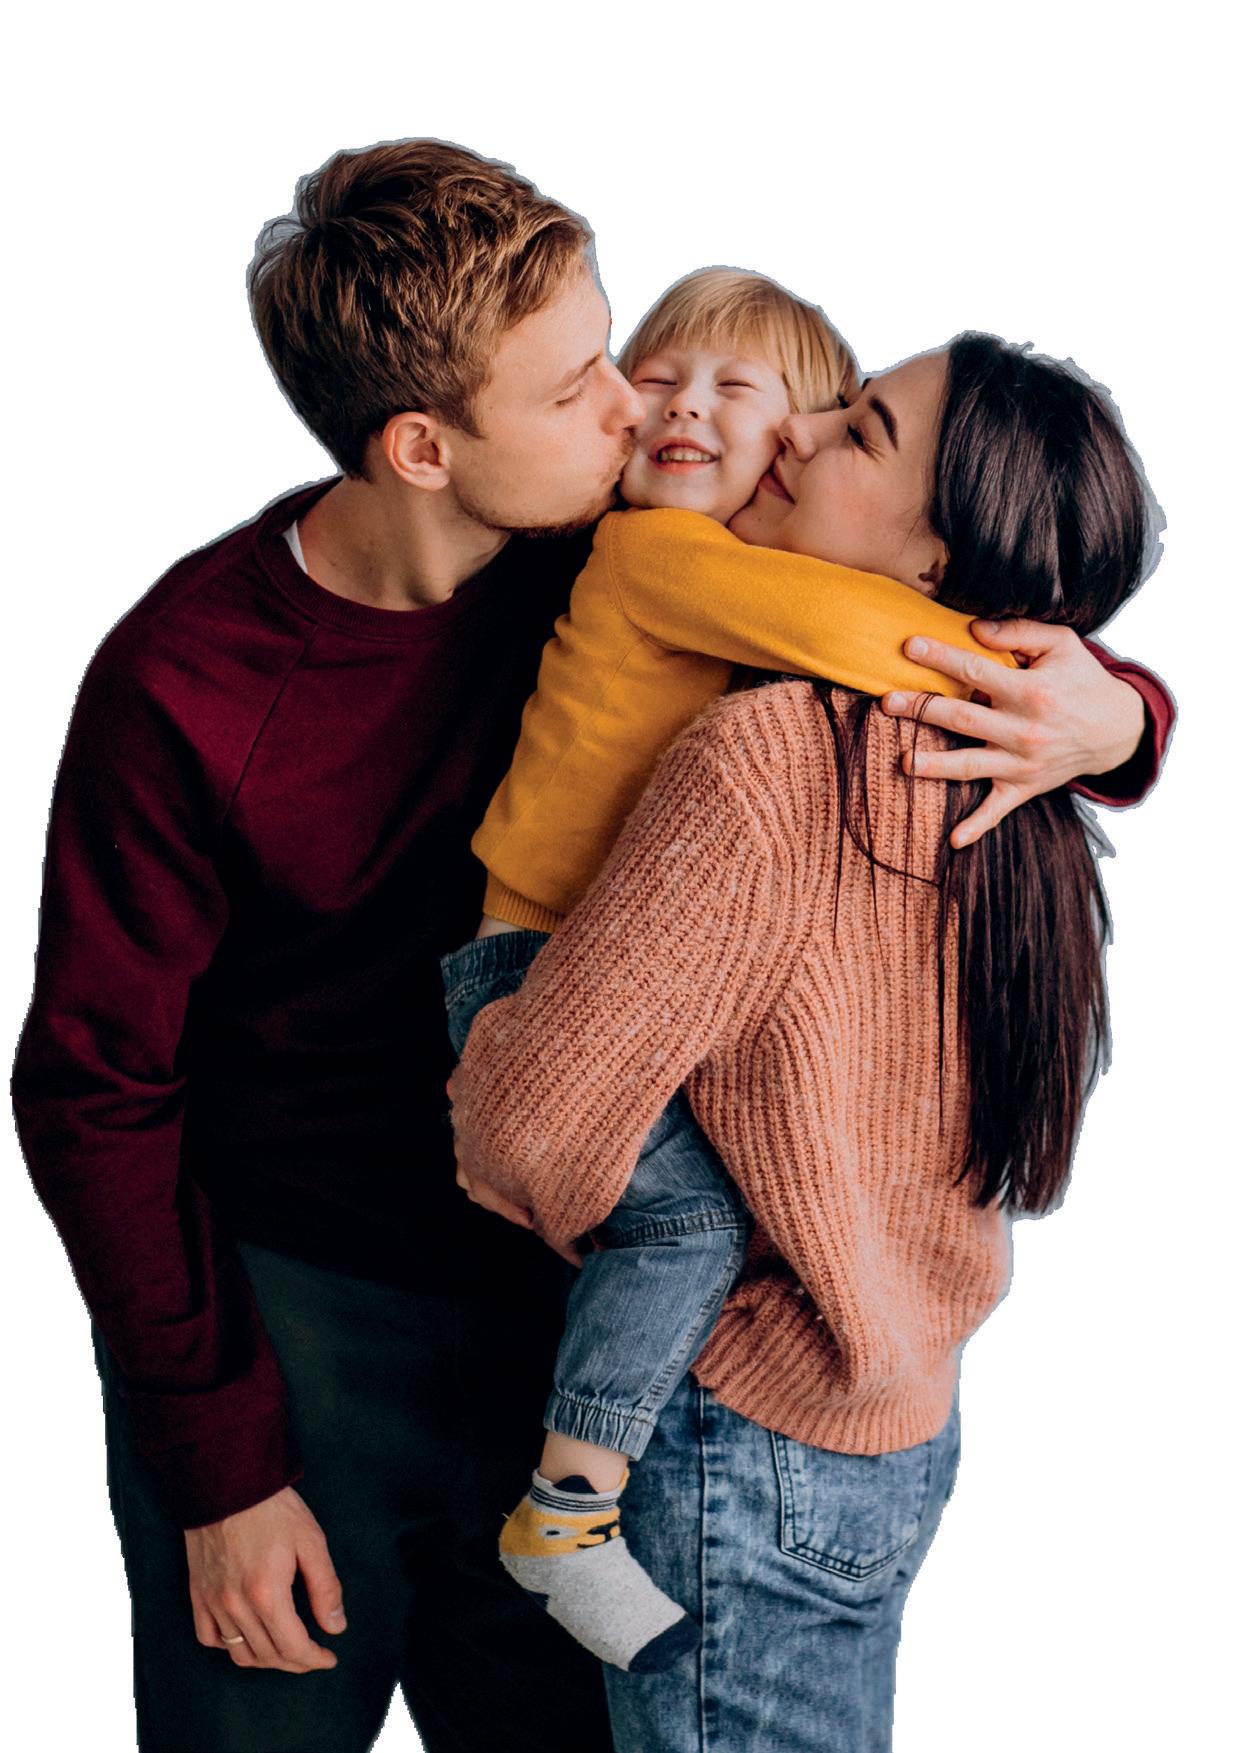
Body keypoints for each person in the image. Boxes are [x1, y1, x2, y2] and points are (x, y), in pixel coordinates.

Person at [10, 136, 1169, 1753]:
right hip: (293, 1344)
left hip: (571, 1340)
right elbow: (94, 1091)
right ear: (424, 447)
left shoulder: (619, 548)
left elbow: (916, 575)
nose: (635, 409)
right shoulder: (184, 683)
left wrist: (1116, 714)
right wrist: (219, 1468)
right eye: (575, 389)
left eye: (613, 352)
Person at [441, 271, 1171, 1672]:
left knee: (682, 1225)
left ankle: (565, 1507)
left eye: (837, 422)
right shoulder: (720, 616)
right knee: (684, 1225)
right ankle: (566, 1507)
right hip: (878, 1403)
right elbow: (868, 627)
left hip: (755, 1417)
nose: (780, 434)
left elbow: (531, 1128)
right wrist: (1085, 700)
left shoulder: (796, 739)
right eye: (655, 380)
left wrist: (1103, 707)